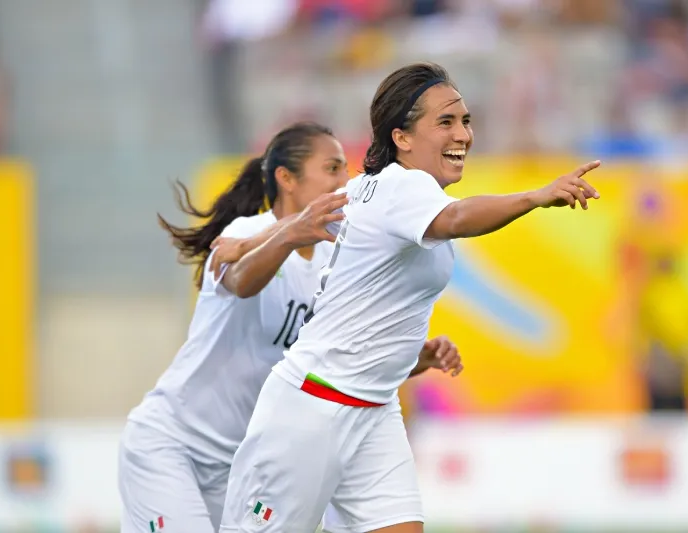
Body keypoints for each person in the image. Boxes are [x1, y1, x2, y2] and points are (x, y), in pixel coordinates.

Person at [219, 62, 602, 533]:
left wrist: (409, 352)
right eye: (445, 122)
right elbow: (458, 219)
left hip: (374, 411)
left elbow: (320, 218)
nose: (462, 133)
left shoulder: (372, 190)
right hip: (312, 410)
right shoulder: (405, 186)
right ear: (401, 137)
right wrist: (536, 197)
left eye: (466, 120)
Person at [118, 121, 463, 533]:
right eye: (332, 168)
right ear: (287, 179)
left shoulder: (332, 261)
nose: (342, 181)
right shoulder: (245, 233)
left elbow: (331, 360)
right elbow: (240, 282)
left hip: (245, 457)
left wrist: (413, 359)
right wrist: (287, 236)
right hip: (174, 446)